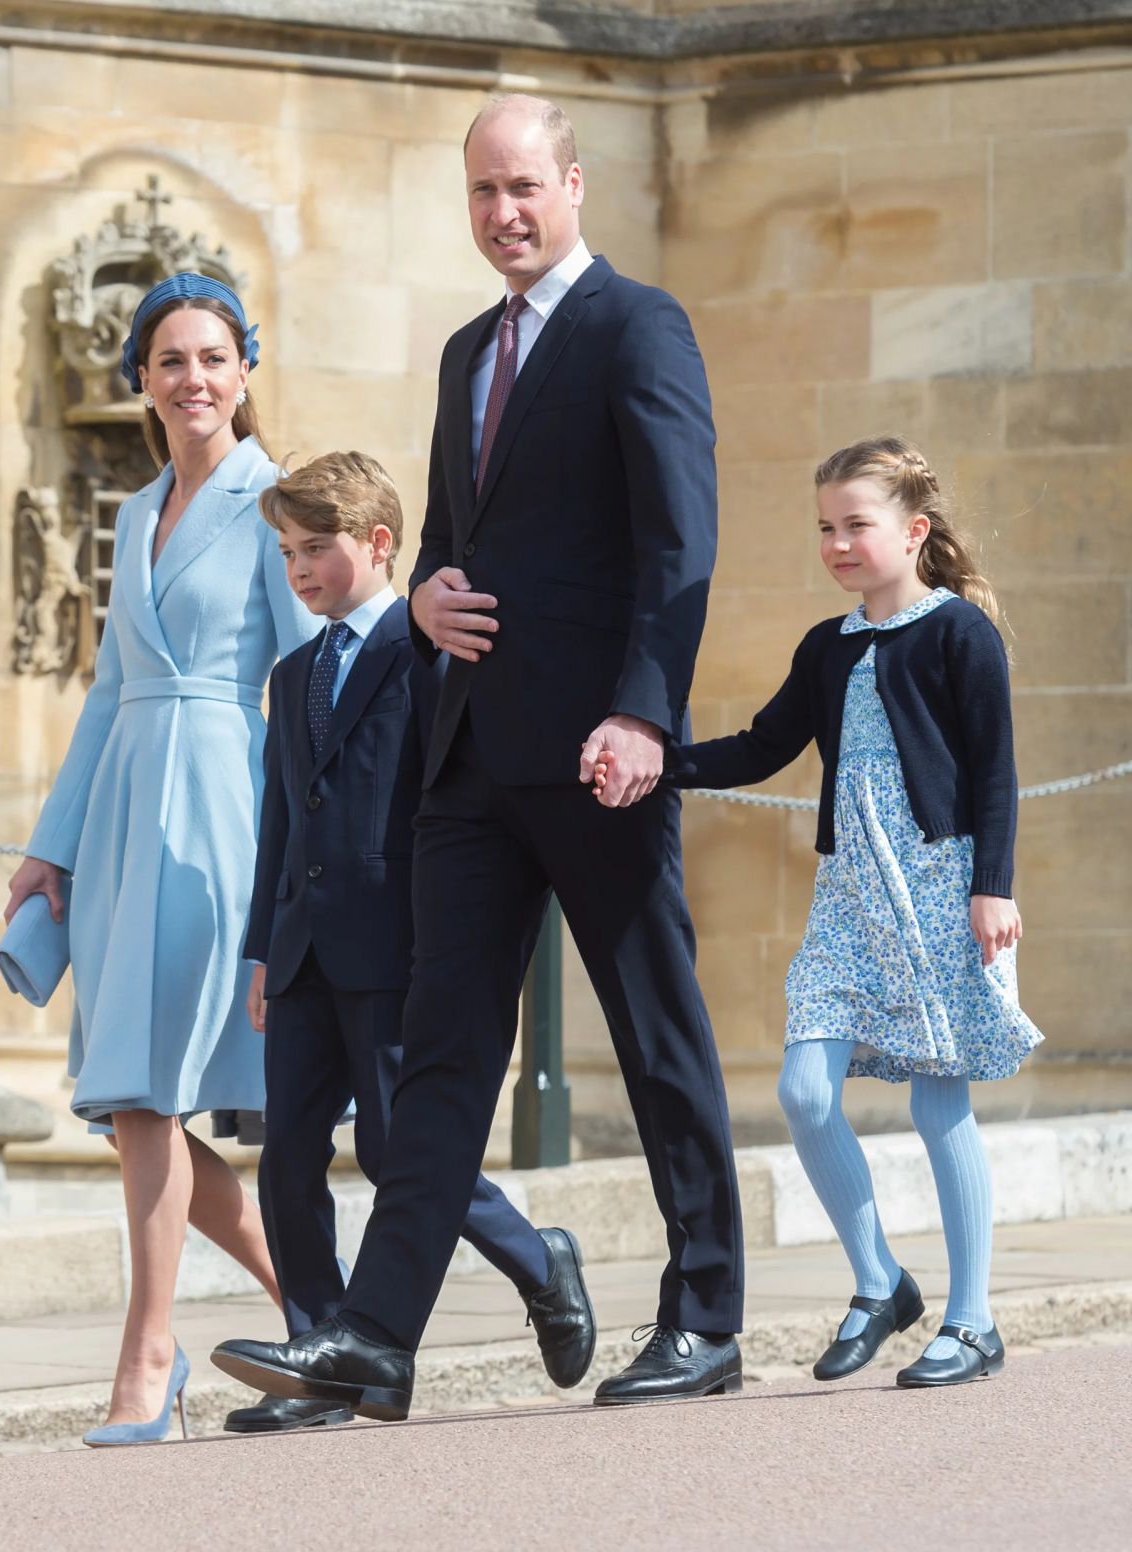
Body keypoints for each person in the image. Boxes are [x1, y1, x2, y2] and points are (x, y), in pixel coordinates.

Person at [212, 93, 745, 1420]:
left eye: (524, 188)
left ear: (571, 184)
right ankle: (378, 1337)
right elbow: (450, 536)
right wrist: (434, 600)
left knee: (655, 1031)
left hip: (595, 755)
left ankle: (708, 1315)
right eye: (481, 194)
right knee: (440, 1058)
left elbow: (679, 545)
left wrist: (644, 715)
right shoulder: (465, 354)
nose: (503, 214)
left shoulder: (639, 327)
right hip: (466, 768)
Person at [623, 434, 1043, 1387]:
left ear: (913, 529)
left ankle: (973, 1322)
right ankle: (881, 1282)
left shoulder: (958, 634)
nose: (839, 543)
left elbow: (995, 769)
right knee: (805, 1095)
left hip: (942, 887)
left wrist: (995, 887)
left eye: (858, 524)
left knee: (942, 1106)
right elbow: (763, 747)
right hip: (849, 896)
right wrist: (660, 759)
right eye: (826, 527)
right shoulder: (828, 646)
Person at [2, 273, 320, 1445]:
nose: (194, 378)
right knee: (137, 1094)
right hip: (129, 816)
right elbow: (102, 693)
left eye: (215, 357)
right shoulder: (135, 516)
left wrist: (308, 851)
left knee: (154, 1090)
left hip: (224, 816)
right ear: (141, 378)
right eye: (171, 358)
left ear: (245, 373)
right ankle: (311, 1312)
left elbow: (305, 684)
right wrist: (51, 849)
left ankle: (149, 1355)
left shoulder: (275, 501)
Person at [215, 451, 595, 1432]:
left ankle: (537, 1255)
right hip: (302, 951)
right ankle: (321, 1364)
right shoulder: (292, 673)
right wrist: (262, 946)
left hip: (399, 947)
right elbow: (279, 822)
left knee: (395, 1150)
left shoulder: (428, 658)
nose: (298, 569)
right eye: (287, 552)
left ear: (379, 544)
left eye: (316, 549)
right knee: (287, 1162)